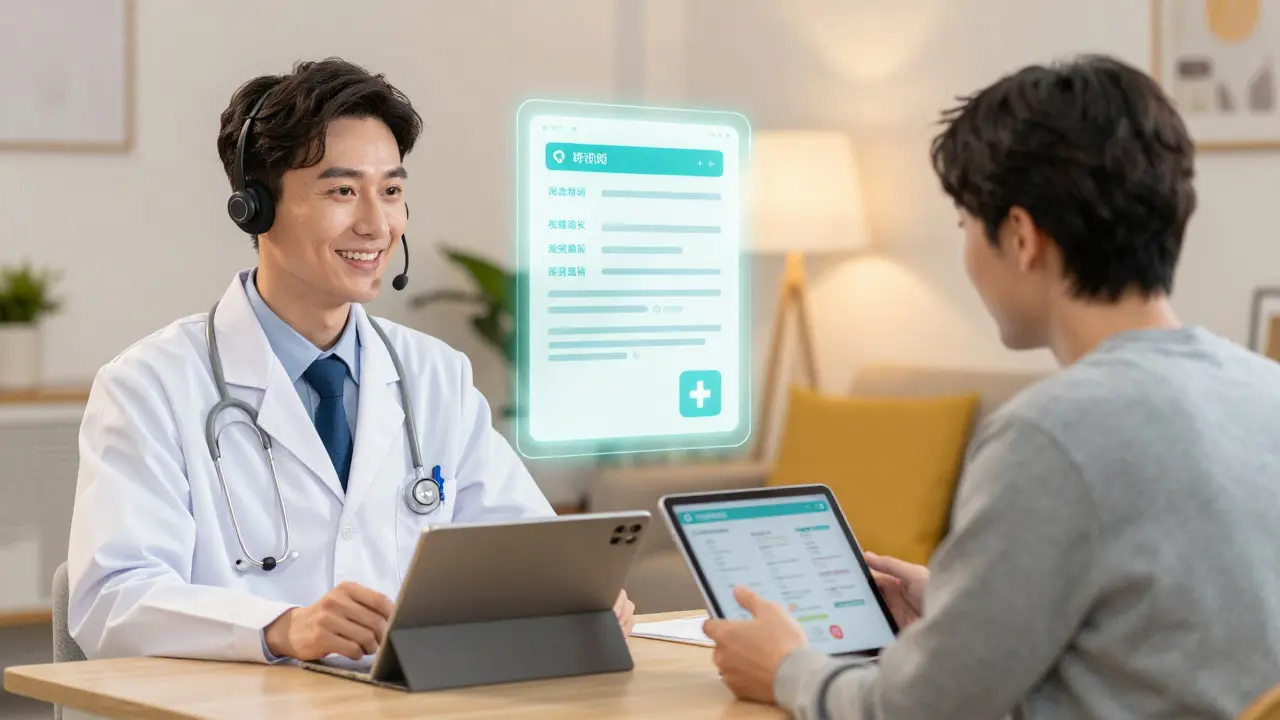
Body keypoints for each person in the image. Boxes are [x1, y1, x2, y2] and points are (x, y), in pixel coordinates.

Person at [702, 54, 1280, 718]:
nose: (968, 255)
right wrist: (962, 607)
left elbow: (915, 712)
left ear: (1021, 236)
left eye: (965, 227)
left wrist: (786, 669)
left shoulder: (1052, 434)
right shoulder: (1267, 391)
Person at [66, 58, 634, 664]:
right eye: (342, 190)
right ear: (255, 209)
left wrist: (576, 592)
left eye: (390, 191)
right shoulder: (149, 385)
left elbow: (524, 547)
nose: (376, 224)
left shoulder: (434, 375)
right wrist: (280, 626)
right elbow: (112, 598)